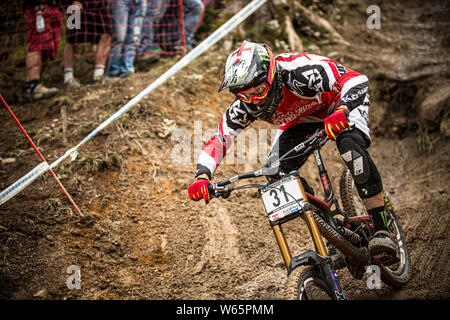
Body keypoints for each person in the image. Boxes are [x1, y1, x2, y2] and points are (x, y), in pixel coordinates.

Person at [187, 40, 399, 264]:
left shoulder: (298, 72)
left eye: (259, 90)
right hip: (301, 121)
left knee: (350, 147)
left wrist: (344, 109)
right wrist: (202, 176)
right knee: (277, 173)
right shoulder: (243, 106)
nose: (254, 100)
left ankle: (382, 229)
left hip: (339, 104)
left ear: (270, 76)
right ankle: (334, 229)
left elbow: (356, 79)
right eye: (244, 95)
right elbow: (220, 138)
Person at [18, 0, 62, 102]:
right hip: (39, 6)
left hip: (53, 6)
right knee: (38, 44)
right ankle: (34, 84)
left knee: (48, 48)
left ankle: (29, 87)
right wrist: (36, 2)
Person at [63, 0, 112, 88]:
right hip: (75, 6)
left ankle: (98, 76)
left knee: (107, 34)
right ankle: (68, 79)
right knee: (71, 39)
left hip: (98, 5)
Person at [105, 0, 147, 81]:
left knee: (134, 38)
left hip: (140, 2)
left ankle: (128, 70)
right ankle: (113, 73)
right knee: (119, 38)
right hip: (120, 2)